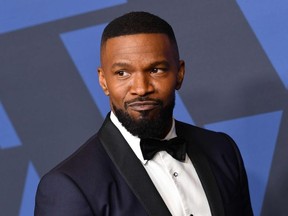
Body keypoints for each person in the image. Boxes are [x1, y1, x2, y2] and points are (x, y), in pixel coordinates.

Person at [34, 11, 253, 216]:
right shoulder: (69, 185)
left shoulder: (222, 150)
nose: (141, 88)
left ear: (179, 73)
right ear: (103, 81)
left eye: (156, 70)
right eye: (122, 73)